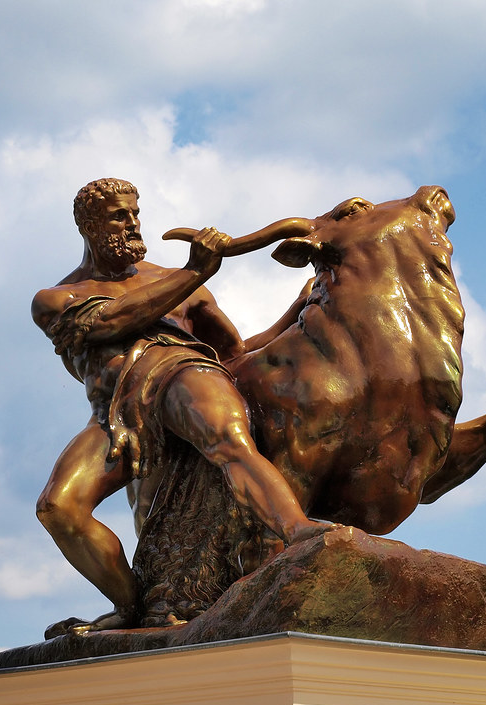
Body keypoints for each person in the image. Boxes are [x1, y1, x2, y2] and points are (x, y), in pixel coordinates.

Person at [32, 178, 332, 633]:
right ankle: (132, 606)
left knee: (227, 439)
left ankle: (298, 531)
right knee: (58, 507)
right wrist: (194, 271)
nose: (133, 224)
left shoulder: (184, 288)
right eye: (118, 216)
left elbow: (234, 353)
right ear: (89, 226)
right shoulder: (58, 298)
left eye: (135, 213)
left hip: (185, 372)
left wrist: (297, 310)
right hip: (117, 414)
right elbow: (113, 322)